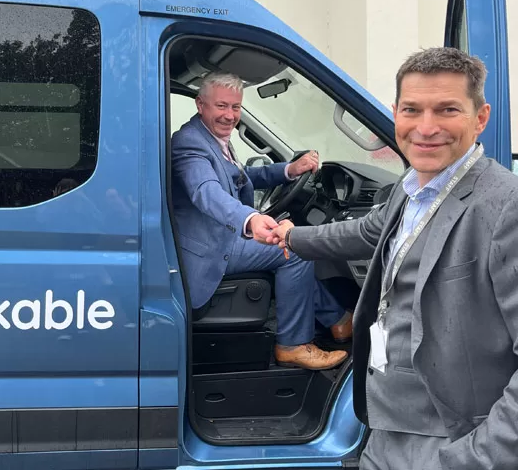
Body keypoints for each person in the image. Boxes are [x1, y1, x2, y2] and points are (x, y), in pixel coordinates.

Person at [261, 47, 518, 469]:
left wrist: (473, 458)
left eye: (447, 109)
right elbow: (366, 231)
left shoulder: (505, 205)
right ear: (395, 113)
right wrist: (293, 237)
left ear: (481, 117)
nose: (427, 127)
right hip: (382, 425)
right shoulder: (412, 185)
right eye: (412, 110)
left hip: (448, 437)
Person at [171, 71, 351, 370]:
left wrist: (289, 171)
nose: (230, 115)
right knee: (295, 250)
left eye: (236, 107)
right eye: (222, 106)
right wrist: (251, 218)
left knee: (289, 248)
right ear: (200, 104)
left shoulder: (213, 138)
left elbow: (241, 178)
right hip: (210, 248)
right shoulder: (189, 144)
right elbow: (206, 191)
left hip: (222, 234)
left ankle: (340, 322)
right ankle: (293, 345)